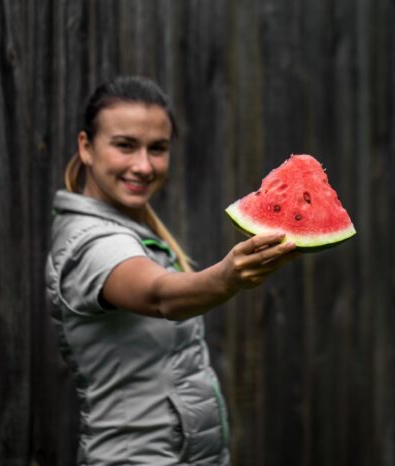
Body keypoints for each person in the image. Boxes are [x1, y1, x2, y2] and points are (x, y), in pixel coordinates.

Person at [45, 76, 297, 465]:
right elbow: (160, 295)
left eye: (157, 148)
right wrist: (227, 277)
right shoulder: (91, 244)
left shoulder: (131, 229)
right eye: (124, 145)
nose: (143, 165)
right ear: (87, 147)